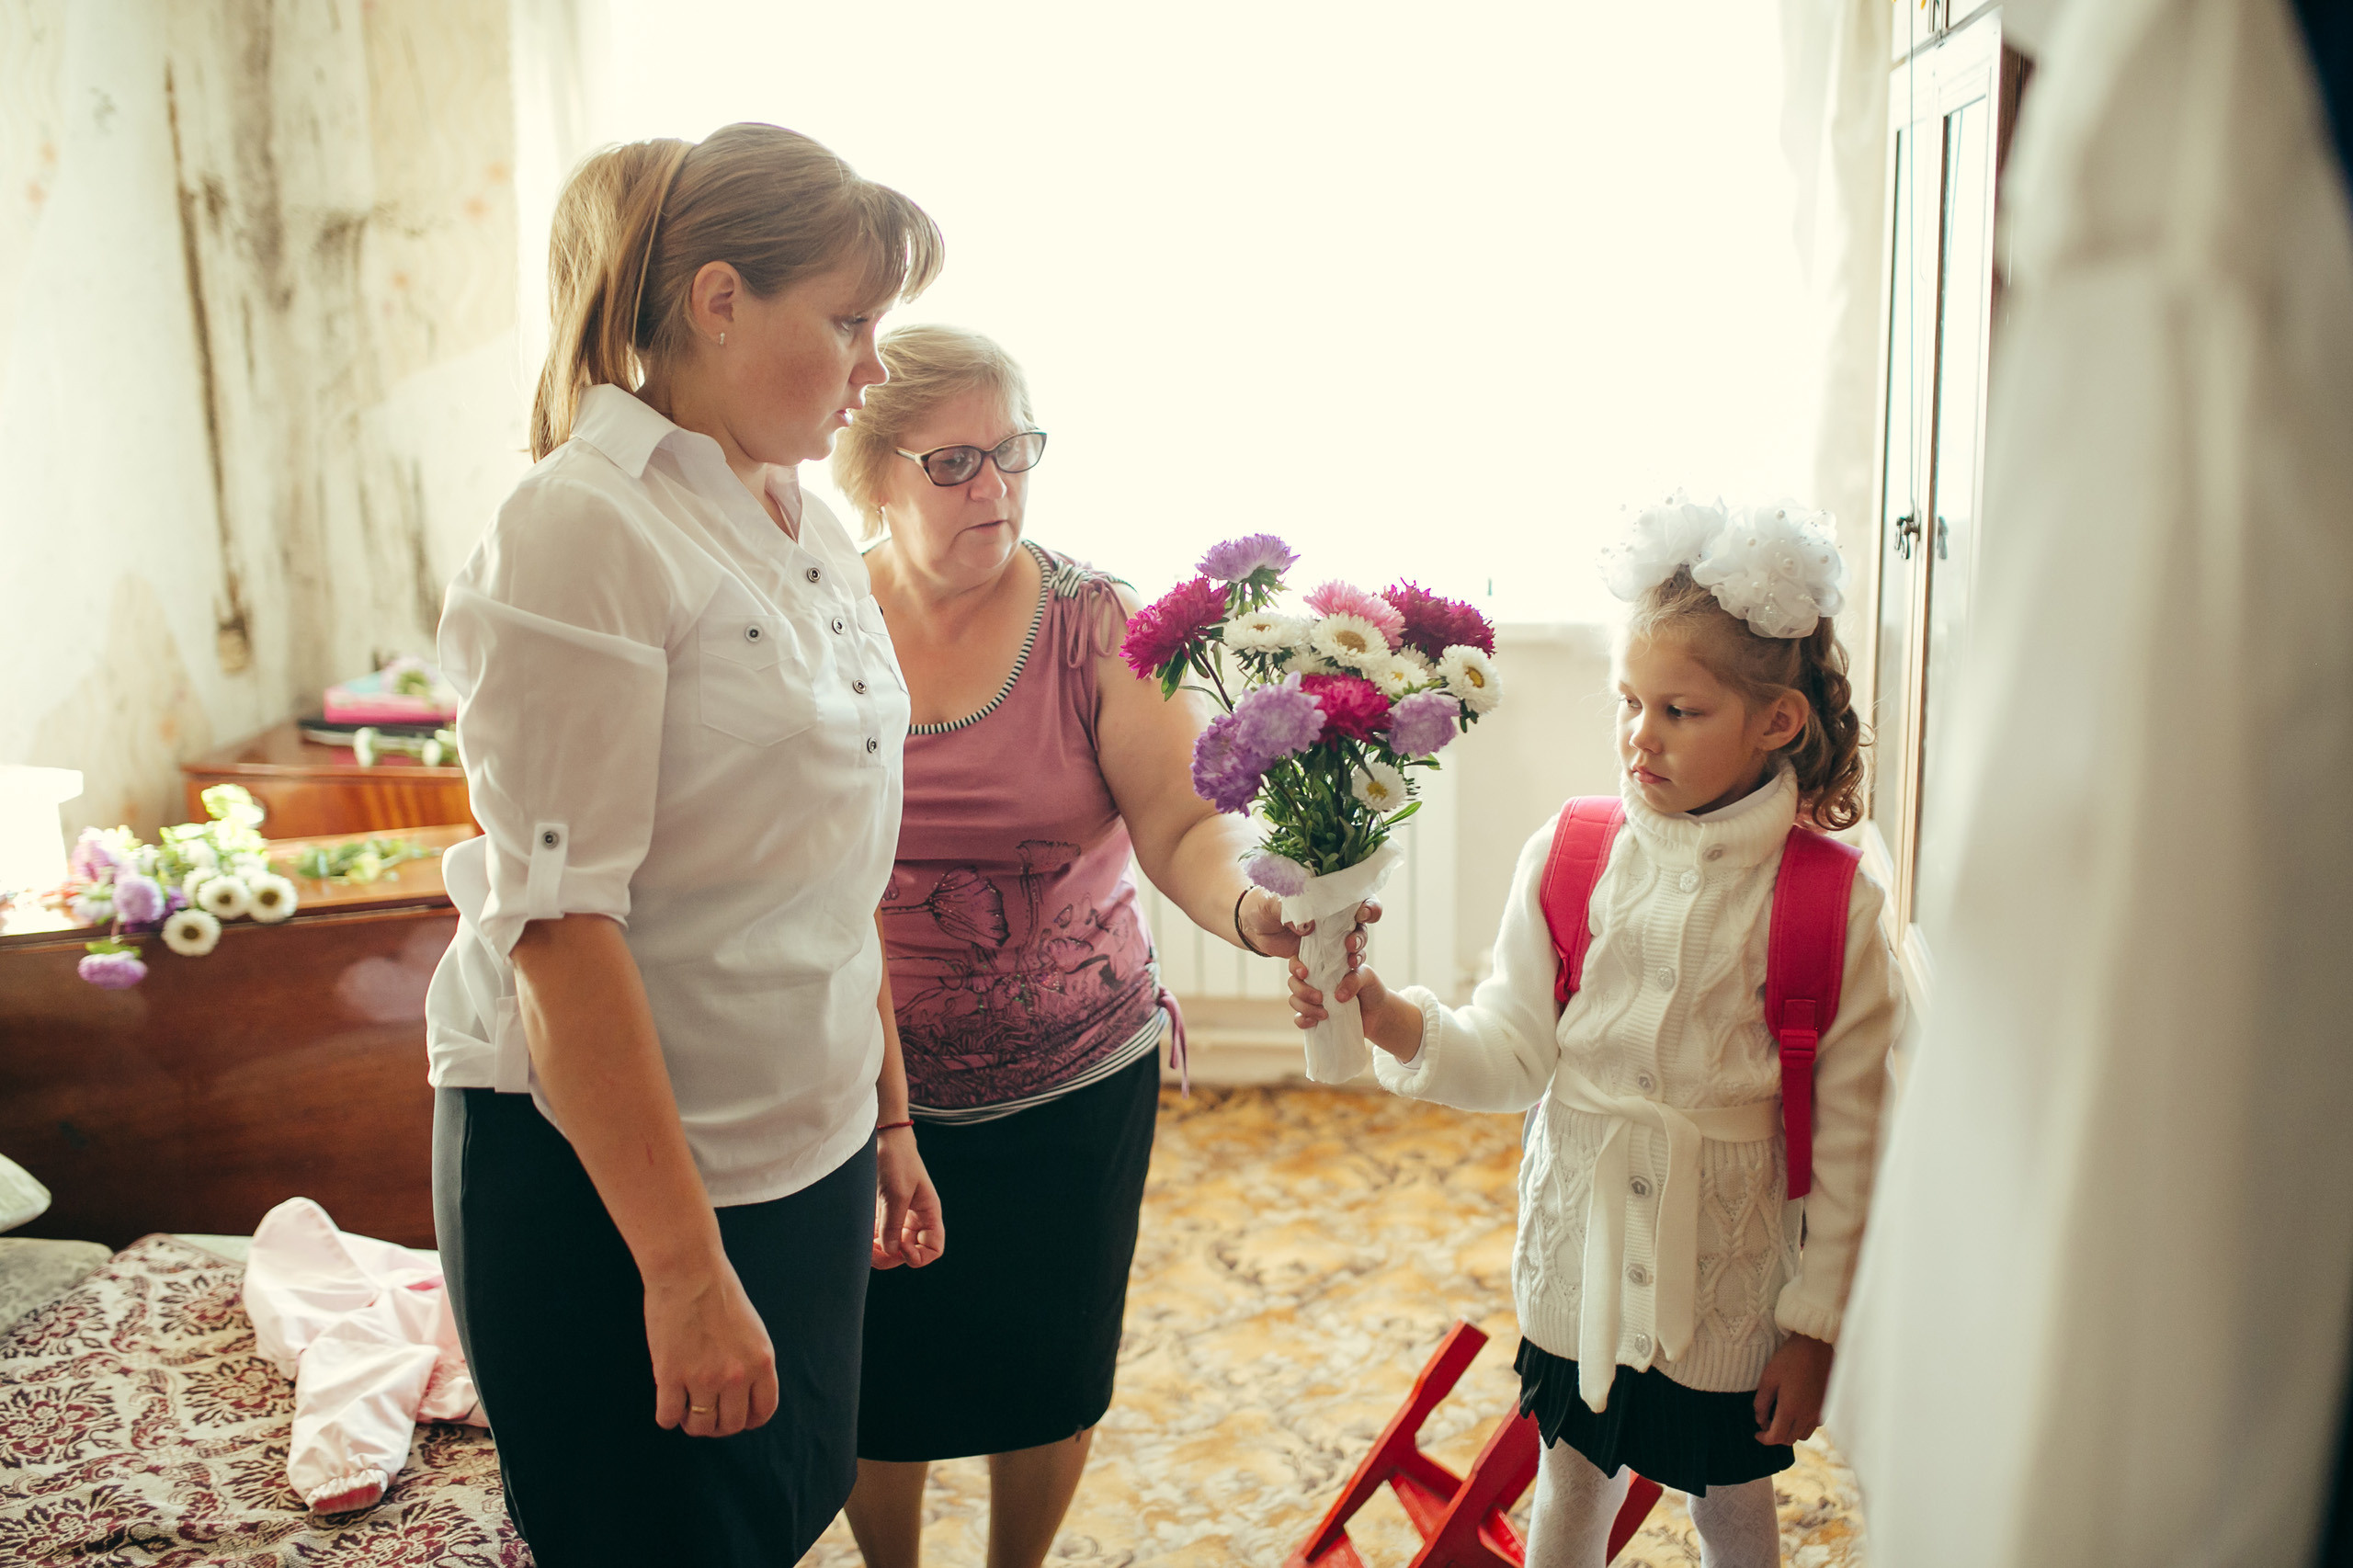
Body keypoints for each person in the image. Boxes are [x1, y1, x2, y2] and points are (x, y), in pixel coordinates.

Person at [423, 125, 946, 1566]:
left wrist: (884, 1115)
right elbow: (558, 929)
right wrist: (681, 1268)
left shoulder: (799, 520)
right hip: (622, 1181)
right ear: (719, 301)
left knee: (781, 1503)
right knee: (661, 1538)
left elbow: (837, 860)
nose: (871, 368)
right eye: (845, 321)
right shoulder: (584, 530)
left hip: (806, 1133)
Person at [828, 324, 1363, 1568]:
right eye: (957, 462)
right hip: (863, 1080)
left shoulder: (1094, 620)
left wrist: (1251, 912)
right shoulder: (814, 614)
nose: (999, 489)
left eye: (1016, 452)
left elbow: (1177, 822)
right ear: (869, 471)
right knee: (875, 1369)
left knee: (1048, 1365)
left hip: (1072, 1074)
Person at [1289, 498, 1903, 1567]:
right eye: (1629, 701)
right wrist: (1388, 1018)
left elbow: (1852, 1142)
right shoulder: (1571, 852)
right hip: (1577, 1254)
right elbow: (1512, 1049)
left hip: (1728, 1277)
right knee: (1570, 1482)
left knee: (1728, 1502)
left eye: (1680, 710)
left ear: (1776, 723)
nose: (1639, 735)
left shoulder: (1831, 902)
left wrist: (1814, 1326)